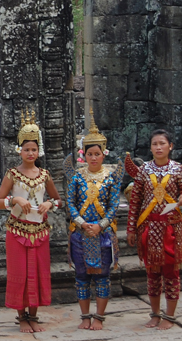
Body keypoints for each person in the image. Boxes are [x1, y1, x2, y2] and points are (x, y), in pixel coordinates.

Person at [0, 109, 61, 334]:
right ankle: (21, 316)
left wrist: (50, 204)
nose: (30, 153)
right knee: (19, 273)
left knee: (38, 272)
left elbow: (59, 200)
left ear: (38, 151)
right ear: (19, 150)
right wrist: (15, 199)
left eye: (34, 149)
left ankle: (34, 315)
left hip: (40, 230)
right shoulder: (12, 174)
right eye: (26, 149)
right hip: (18, 231)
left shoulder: (44, 174)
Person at [126, 129, 182, 331]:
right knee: (152, 273)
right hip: (148, 227)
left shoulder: (178, 170)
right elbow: (135, 202)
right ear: (150, 147)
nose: (158, 147)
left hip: (171, 229)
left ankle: (170, 315)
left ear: (170, 147)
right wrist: (131, 229)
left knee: (171, 273)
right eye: (155, 144)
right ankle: (155, 314)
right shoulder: (143, 171)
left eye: (162, 144)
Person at [63, 112, 124, 330]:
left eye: (97, 154)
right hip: (80, 233)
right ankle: (85, 316)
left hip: (103, 233)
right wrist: (81, 222)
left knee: (102, 277)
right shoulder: (77, 176)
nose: (94, 158)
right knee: (81, 276)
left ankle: (99, 317)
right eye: (90, 154)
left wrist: (101, 225)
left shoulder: (111, 176)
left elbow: (114, 205)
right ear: (84, 155)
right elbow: (70, 202)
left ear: (103, 154)